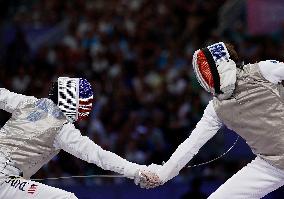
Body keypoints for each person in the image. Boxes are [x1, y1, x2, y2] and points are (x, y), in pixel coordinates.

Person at [137, 42, 284, 198]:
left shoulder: (262, 71)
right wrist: (161, 175)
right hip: (271, 165)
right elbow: (190, 146)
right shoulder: (215, 109)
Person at [0, 77, 157, 199]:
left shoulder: (28, 103)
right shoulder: (61, 128)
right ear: (70, 100)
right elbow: (99, 155)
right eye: (83, 105)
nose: (85, 111)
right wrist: (137, 170)